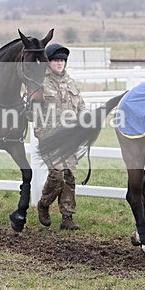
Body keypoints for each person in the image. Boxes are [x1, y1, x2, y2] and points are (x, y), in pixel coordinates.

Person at [34, 44, 86, 230]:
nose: (59, 63)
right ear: (48, 62)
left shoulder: (71, 82)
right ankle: (44, 204)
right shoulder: (39, 82)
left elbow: (80, 107)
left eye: (62, 60)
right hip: (49, 137)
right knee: (57, 175)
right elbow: (30, 111)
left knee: (69, 177)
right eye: (56, 60)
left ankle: (67, 218)